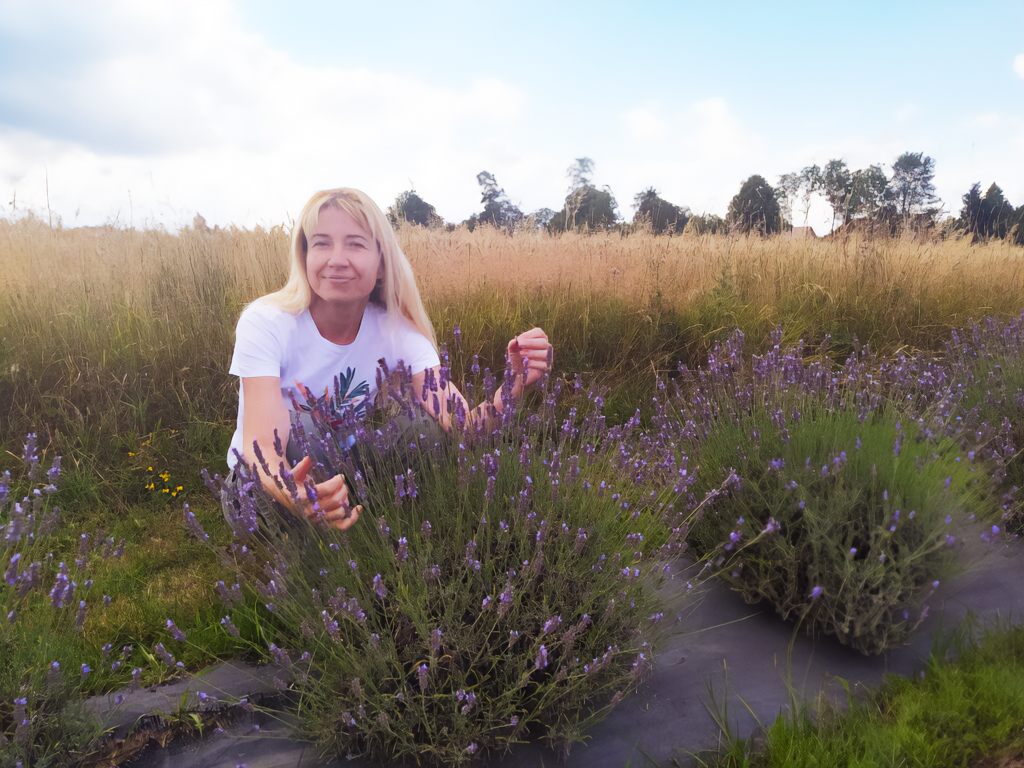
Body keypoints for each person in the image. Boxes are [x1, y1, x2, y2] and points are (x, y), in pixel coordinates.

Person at [226, 187, 552, 531]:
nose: (337, 259)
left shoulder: (397, 331)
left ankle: (373, 518)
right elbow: (262, 447)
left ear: (381, 263)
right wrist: (293, 493)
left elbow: (461, 428)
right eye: (321, 243)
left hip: (341, 465)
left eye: (355, 244)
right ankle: (311, 533)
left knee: (425, 430)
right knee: (304, 429)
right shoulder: (266, 322)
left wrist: (514, 386)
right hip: (260, 488)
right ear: (304, 257)